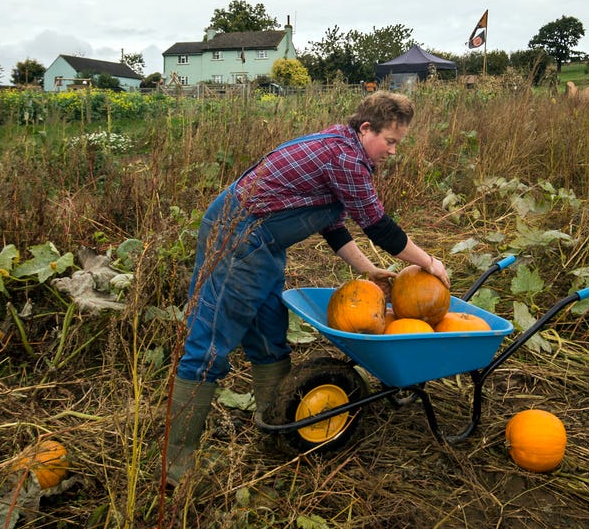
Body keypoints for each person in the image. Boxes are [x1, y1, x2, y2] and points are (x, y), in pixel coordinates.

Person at [165, 91, 450, 485]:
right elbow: (379, 226)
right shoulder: (346, 157)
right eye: (390, 141)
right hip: (236, 238)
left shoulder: (343, 150)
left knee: (269, 338)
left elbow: (331, 224)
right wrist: (428, 262)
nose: (393, 151)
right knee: (208, 345)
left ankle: (275, 428)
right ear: (366, 128)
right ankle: (176, 466)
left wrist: (369, 271)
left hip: (264, 245)